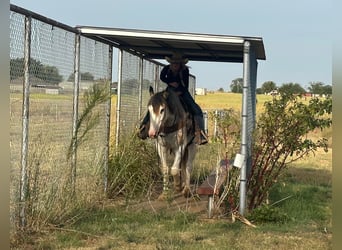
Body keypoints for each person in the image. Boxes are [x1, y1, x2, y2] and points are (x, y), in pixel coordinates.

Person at [138, 52, 208, 145]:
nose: (175, 65)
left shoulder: (184, 71)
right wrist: (170, 83)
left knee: (196, 109)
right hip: (169, 91)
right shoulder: (167, 69)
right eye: (173, 63)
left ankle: (200, 133)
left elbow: (185, 85)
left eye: (177, 63)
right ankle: (143, 128)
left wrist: (179, 92)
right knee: (155, 106)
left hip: (182, 92)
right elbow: (162, 77)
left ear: (180, 64)